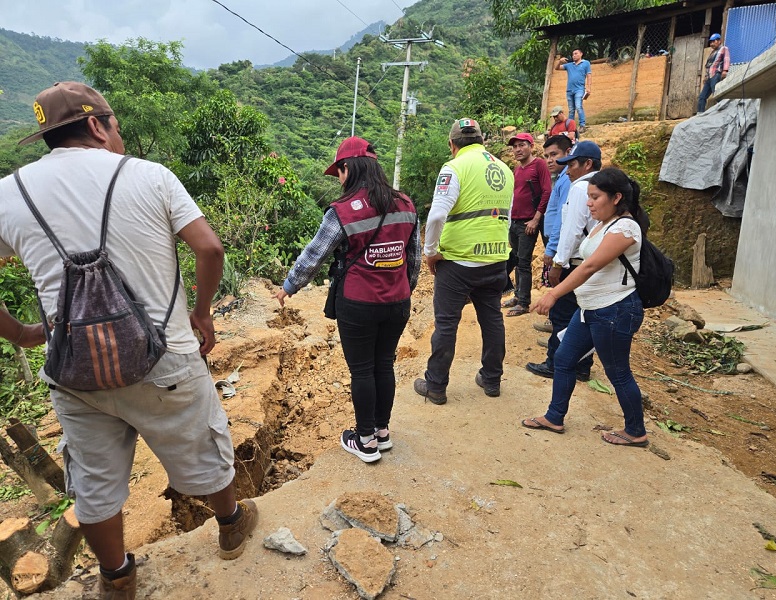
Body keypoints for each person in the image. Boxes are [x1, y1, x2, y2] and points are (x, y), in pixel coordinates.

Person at [0, 82, 257, 598]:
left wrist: (24, 334)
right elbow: (210, 248)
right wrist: (201, 313)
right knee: (203, 441)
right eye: (114, 125)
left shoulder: (9, 193)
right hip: (165, 358)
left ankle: (117, 577)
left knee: (94, 483)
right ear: (97, 125)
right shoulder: (149, 176)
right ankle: (231, 527)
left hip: (75, 372)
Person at [275, 137, 420, 464]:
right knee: (384, 364)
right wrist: (403, 290)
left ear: (348, 168)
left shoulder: (342, 210)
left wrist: (289, 286)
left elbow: (315, 255)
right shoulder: (406, 204)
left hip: (358, 303)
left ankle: (365, 441)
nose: (339, 179)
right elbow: (412, 259)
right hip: (397, 302)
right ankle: (382, 432)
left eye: (339, 172)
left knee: (362, 370)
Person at [523, 167, 649, 448]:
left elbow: (590, 266)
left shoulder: (626, 228)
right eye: (588, 197)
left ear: (616, 197)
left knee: (618, 372)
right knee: (564, 359)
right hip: (590, 308)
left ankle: (636, 431)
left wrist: (554, 294)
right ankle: (554, 417)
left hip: (614, 310)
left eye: (595, 197)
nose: (589, 203)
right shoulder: (604, 223)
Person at [413, 118, 512, 404]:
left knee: (446, 324)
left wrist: (430, 251)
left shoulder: (454, 167)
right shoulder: (505, 170)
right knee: (492, 319)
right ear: (482, 140)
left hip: (458, 261)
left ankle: (436, 386)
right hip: (495, 259)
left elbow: (436, 216)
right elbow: (507, 216)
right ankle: (492, 380)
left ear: (452, 144)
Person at [526, 140, 602, 383]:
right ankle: (582, 365)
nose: (568, 170)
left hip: (575, 263)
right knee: (583, 315)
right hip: (593, 263)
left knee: (562, 314)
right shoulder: (601, 186)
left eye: (572, 164)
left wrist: (558, 264)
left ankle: (555, 363)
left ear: (587, 164)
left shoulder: (580, 189)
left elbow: (571, 231)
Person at [503, 132, 551, 317]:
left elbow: (546, 192)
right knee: (516, 259)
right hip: (514, 221)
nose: (517, 149)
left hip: (528, 223)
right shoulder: (517, 169)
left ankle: (523, 302)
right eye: (515, 147)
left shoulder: (539, 165)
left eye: (522, 145)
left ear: (531, 146)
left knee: (523, 262)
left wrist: (536, 219)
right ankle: (517, 295)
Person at [557, 49, 592, 133]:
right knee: (571, 110)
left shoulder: (586, 63)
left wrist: (588, 87)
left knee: (579, 107)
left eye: (576, 53)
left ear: (581, 54)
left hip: (579, 89)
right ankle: (570, 127)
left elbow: (589, 76)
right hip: (569, 90)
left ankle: (582, 125)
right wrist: (560, 61)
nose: (574, 55)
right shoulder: (569, 65)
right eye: (573, 54)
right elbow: (557, 68)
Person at [697, 33, 730, 113]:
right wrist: (706, 76)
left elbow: (726, 59)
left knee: (717, 94)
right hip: (709, 77)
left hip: (716, 75)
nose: (711, 44)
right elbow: (708, 65)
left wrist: (725, 71)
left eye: (713, 41)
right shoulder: (712, 52)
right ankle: (700, 115)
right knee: (702, 97)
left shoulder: (724, 48)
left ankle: (725, 111)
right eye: (710, 42)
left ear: (719, 41)